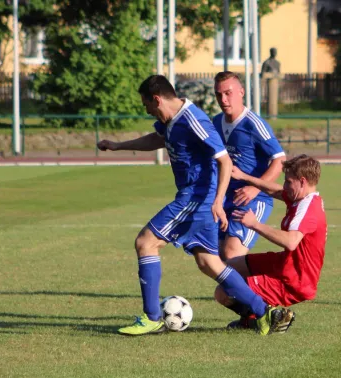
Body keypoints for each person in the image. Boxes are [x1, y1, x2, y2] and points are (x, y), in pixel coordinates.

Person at [97, 75, 285, 336]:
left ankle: (152, 318)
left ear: (157, 99)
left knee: (145, 243)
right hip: (197, 198)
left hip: (196, 199)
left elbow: (224, 161)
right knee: (210, 263)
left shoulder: (193, 119)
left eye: (147, 105)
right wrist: (118, 146)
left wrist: (217, 202)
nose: (147, 111)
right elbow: (156, 139)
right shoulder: (173, 120)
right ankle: (264, 312)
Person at [214, 155, 327, 332]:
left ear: (302, 181)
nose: (285, 186)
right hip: (285, 263)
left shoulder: (308, 209)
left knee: (223, 292)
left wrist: (255, 224)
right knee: (228, 268)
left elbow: (291, 242)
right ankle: (257, 316)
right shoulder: (302, 198)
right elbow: (275, 191)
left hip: (295, 280)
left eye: (288, 181)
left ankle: (260, 319)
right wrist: (244, 176)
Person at [212, 71, 286, 261]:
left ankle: (257, 289)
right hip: (226, 198)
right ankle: (243, 290)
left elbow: (280, 159)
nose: (223, 99)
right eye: (219, 94)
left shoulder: (254, 125)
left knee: (232, 253)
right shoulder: (215, 123)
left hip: (254, 199)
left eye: (228, 93)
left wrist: (254, 188)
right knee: (219, 255)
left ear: (241, 92)